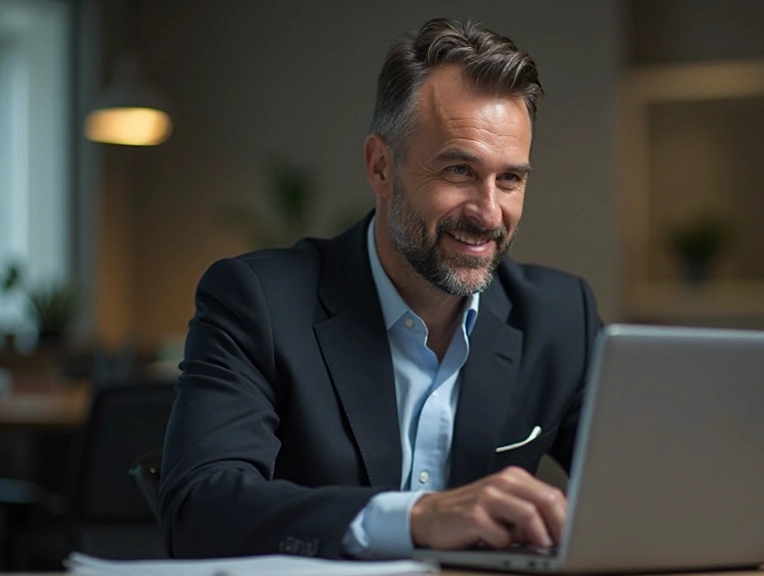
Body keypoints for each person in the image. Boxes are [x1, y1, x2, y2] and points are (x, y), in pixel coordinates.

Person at [159, 17, 603, 560]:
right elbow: (198, 512)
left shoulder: (562, 318)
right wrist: (416, 520)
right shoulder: (258, 302)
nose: (489, 212)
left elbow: (652, 492)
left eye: (509, 178)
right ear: (381, 166)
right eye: (459, 170)